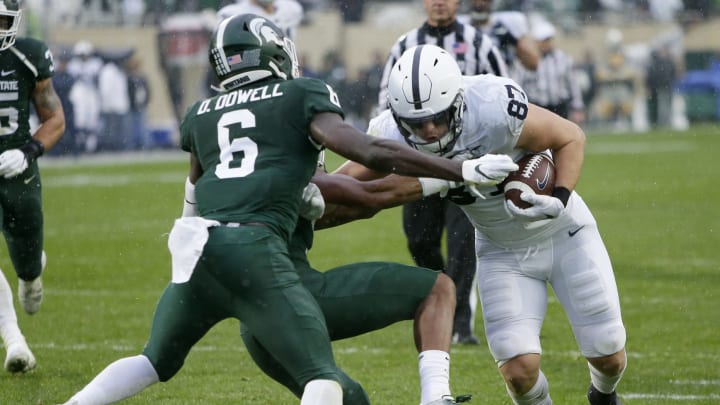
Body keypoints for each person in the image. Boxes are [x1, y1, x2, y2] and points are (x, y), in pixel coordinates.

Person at [60, 15, 517, 405]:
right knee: (324, 380)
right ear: (273, 53)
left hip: (201, 253)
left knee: (154, 360)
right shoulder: (298, 95)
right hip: (260, 261)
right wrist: (460, 169)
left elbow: (194, 192)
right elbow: (369, 151)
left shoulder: (202, 112)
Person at [336, 44, 628, 405]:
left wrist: (561, 197)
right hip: (500, 248)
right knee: (518, 371)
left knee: (608, 351)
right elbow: (343, 185)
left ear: (457, 103)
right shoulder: (389, 134)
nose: (428, 131)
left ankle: (603, 394)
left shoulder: (493, 108)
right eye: (416, 123)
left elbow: (570, 136)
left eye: (438, 118)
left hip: (563, 231)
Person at [377, 0, 509, 346]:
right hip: (418, 162)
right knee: (420, 239)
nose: (439, 3)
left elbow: (502, 92)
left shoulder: (480, 43)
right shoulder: (405, 46)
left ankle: (460, 322)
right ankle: (437, 301)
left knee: (463, 243)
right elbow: (386, 103)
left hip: (467, 164)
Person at [0, 0, 66, 373]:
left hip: (19, 173)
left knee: (27, 264)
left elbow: (54, 117)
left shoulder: (28, 56)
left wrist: (28, 151)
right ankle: (14, 340)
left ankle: (30, 274)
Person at [514, 21, 585, 125]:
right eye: (543, 40)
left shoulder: (564, 59)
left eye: (548, 39)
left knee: (560, 138)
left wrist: (577, 107)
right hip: (536, 107)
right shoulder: (526, 61)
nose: (546, 43)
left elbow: (573, 84)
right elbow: (518, 85)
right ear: (536, 41)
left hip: (559, 107)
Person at [460, 0, 540, 79]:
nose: (480, 3)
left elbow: (533, 64)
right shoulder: (460, 26)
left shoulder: (510, 22)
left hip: (506, 87)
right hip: (472, 88)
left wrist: (514, 41)